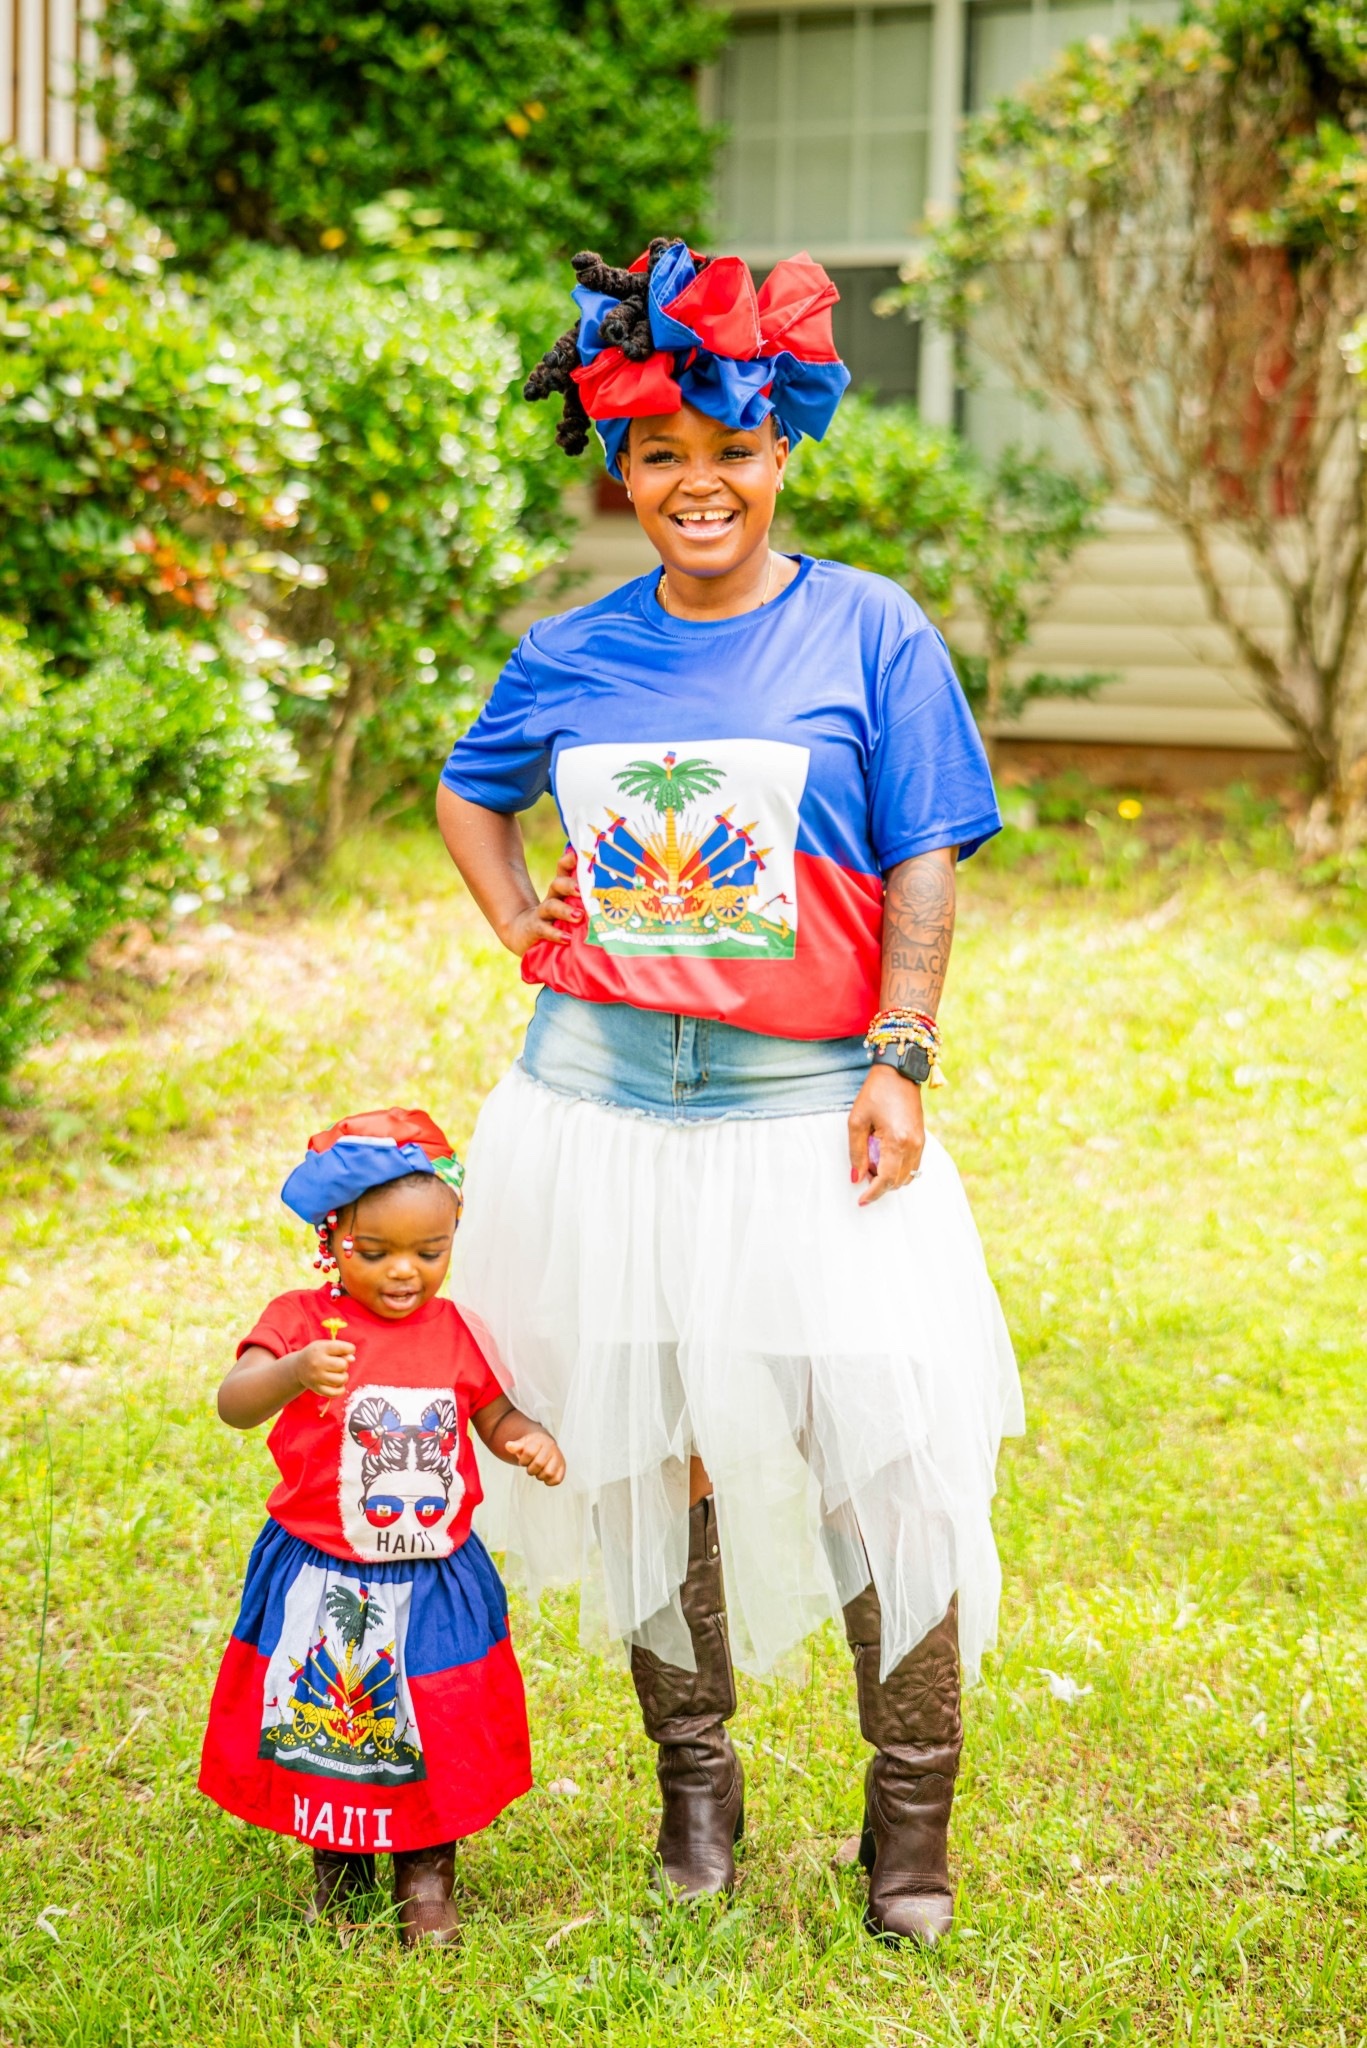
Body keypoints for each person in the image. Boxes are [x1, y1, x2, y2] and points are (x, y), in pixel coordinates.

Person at [436, 240, 1024, 1944]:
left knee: (878, 1451)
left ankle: (904, 1834)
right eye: (664, 455)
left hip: (805, 1112)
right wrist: (517, 923)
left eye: (733, 449)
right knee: (645, 1458)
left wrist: (900, 1056)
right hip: (598, 1114)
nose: (702, 483)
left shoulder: (870, 628)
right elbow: (475, 800)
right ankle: (696, 1794)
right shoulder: (568, 651)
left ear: (782, 451)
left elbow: (923, 855)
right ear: (621, 468)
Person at [198, 1108, 565, 1945]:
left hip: (430, 1575)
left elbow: (492, 1414)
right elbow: (233, 1402)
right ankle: (338, 1861)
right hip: (324, 1571)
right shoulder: (301, 1321)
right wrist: (291, 1371)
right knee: (329, 1716)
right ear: (333, 1241)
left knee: (432, 1719)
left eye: (428, 1254)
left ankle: (426, 1871)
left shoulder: (454, 1331)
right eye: (377, 1253)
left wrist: (526, 1441)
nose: (405, 1272)